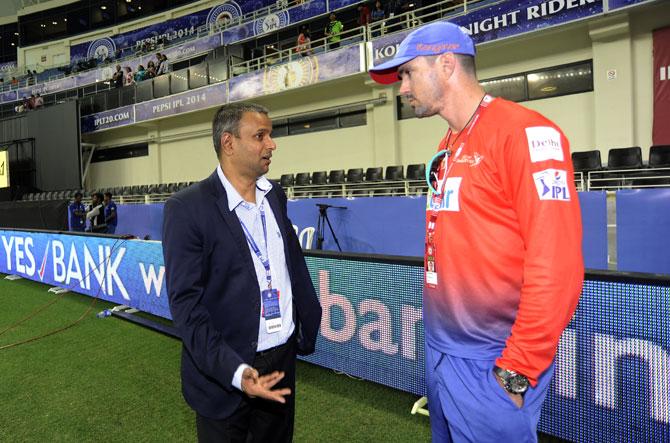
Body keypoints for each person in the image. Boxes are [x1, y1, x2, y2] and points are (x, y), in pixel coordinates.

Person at [369, 22, 584, 442]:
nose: (402, 88)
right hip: (442, 352)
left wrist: (517, 369)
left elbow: (557, 265)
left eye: (408, 73)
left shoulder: (526, 134)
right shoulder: (447, 144)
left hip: (493, 360)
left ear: (446, 64)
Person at [162, 102, 322, 443]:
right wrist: (236, 372)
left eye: (271, 135)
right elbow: (186, 306)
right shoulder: (187, 209)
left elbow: (291, 265)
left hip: (281, 363)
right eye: (260, 135)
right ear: (229, 143)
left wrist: (307, 320)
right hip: (224, 375)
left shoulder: (275, 195)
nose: (272, 144)